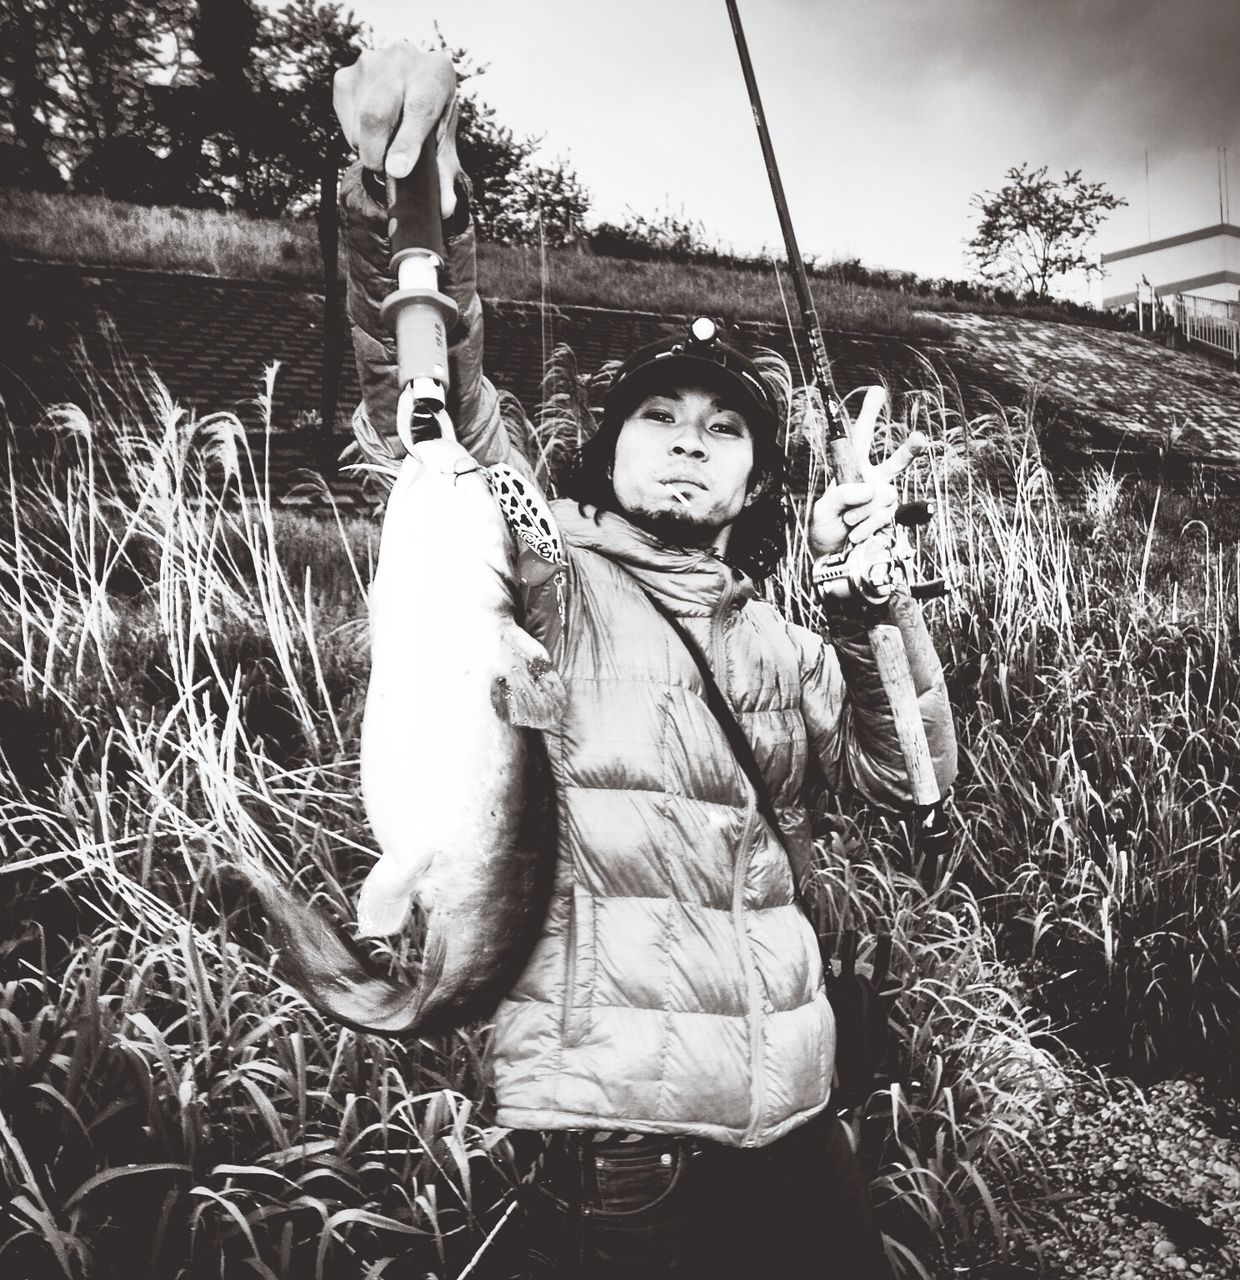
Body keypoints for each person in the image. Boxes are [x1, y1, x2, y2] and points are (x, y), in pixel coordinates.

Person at [333, 42, 957, 1280]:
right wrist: (398, 204)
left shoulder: (782, 640)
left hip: (794, 1127)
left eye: (724, 429)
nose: (689, 443)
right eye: (657, 420)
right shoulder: (548, 570)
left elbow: (918, 783)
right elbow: (435, 393)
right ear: (603, 455)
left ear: (754, 479)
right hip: (617, 1162)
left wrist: (864, 597)